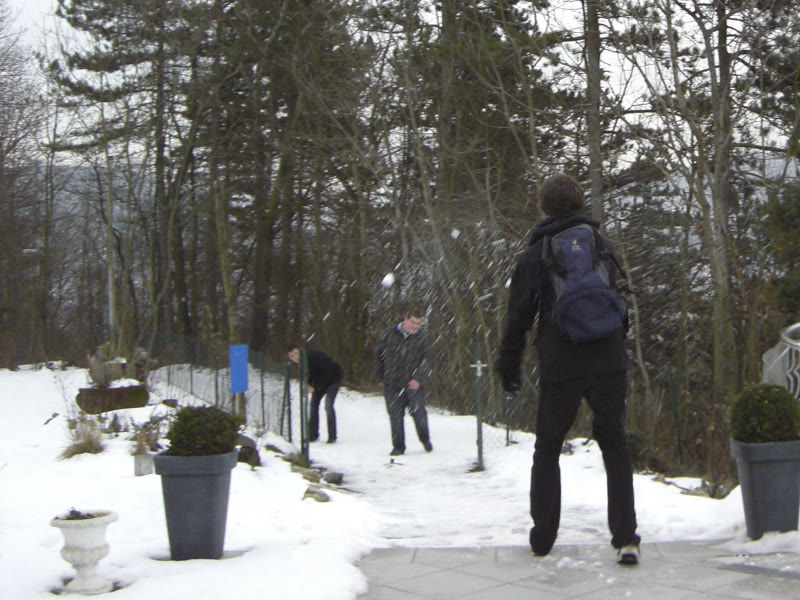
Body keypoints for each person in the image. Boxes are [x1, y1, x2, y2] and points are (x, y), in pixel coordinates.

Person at [495, 173, 641, 565]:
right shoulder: (601, 244)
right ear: (579, 203)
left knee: (547, 447)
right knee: (615, 445)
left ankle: (543, 537)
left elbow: (518, 315)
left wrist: (508, 362)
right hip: (608, 357)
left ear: (543, 206)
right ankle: (626, 537)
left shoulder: (535, 255)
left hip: (562, 359)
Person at [375, 309, 433, 456]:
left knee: (419, 414)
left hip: (414, 384)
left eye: (418, 323)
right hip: (392, 382)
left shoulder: (422, 338)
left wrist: (418, 378)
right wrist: (380, 377)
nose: (415, 326)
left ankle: (425, 439)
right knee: (395, 415)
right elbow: (379, 355)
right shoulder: (389, 334)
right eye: (413, 322)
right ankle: (398, 446)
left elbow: (427, 360)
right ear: (405, 320)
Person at [288, 345, 343, 443]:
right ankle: (312, 435)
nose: (295, 357)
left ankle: (332, 436)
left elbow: (327, 373)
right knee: (313, 405)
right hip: (321, 382)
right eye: (292, 356)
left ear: (301, 351)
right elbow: (310, 376)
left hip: (334, 379)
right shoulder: (301, 364)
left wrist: (313, 387)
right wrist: (309, 385)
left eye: (296, 353)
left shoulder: (313, 357)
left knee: (328, 405)